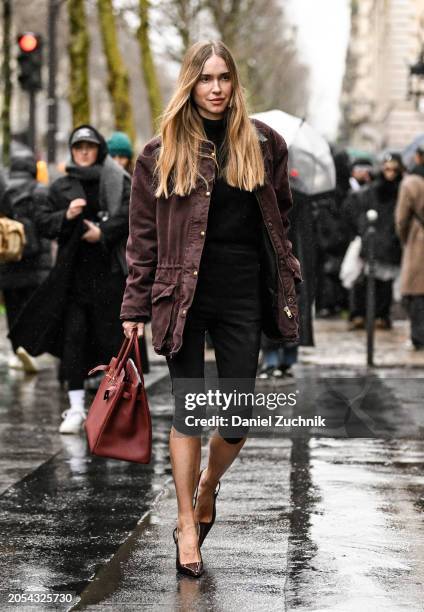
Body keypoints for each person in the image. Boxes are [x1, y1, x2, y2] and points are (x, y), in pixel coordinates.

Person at [120, 40, 301, 577]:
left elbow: (281, 219)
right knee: (190, 410)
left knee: (239, 415)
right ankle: (185, 523)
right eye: (205, 79)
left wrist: (286, 280)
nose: (216, 89)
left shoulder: (265, 144)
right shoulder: (159, 153)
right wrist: (134, 303)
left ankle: (208, 484)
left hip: (243, 292)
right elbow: (143, 238)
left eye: (224, 78)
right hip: (181, 293)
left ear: (235, 83)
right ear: (189, 84)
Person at [9, 125, 130, 433]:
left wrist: (103, 232)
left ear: (98, 149)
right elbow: (43, 223)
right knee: (73, 340)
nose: (84, 152)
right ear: (72, 151)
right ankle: (76, 408)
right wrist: (67, 217)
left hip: (110, 278)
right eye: (79, 148)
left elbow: (133, 214)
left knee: (110, 343)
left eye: (90, 147)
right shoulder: (62, 185)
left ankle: (112, 406)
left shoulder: (116, 179)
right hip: (73, 279)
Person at [0, 153, 51, 372]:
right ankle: (31, 349)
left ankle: (16, 351)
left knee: (13, 309)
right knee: (33, 308)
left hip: (9, 261)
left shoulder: (5, 190)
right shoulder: (40, 190)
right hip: (36, 263)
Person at [342, 153, 404, 330]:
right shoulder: (370, 191)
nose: (390, 173)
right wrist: (364, 231)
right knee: (364, 280)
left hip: (390, 241)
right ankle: (360, 314)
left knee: (384, 282)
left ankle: (380, 315)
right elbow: (354, 210)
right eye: (387, 169)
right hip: (373, 239)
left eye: (394, 169)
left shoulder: (401, 189)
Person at [395, 147, 424, 350]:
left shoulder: (411, 183)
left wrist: (406, 240)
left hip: (418, 241)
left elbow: (401, 220)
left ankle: (418, 337)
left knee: (417, 291)